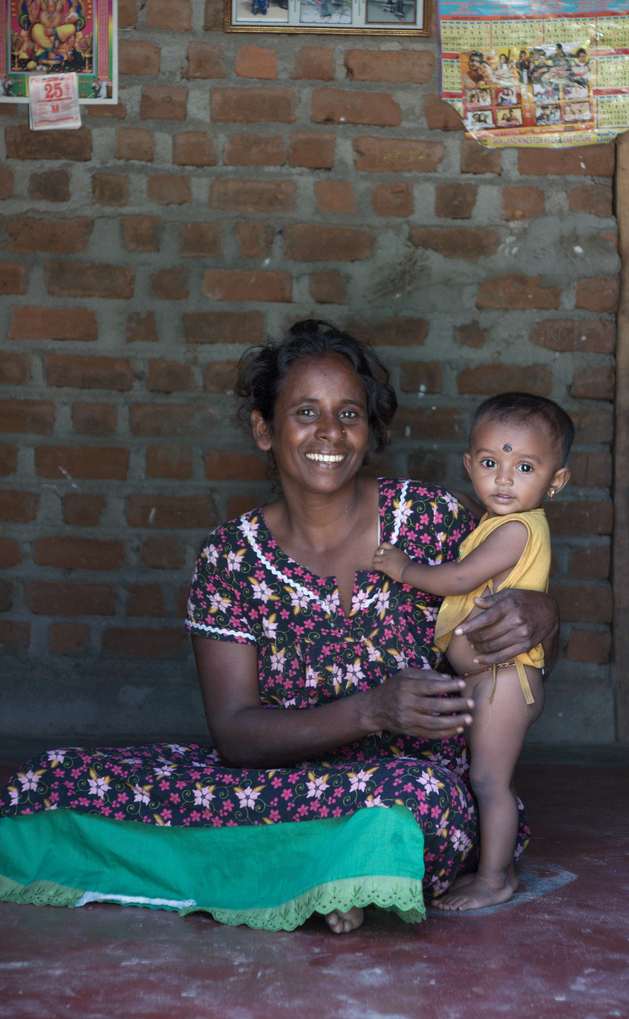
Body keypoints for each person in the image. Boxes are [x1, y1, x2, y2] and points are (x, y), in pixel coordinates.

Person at [0, 323, 559, 934]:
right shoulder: (230, 557)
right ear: (264, 429)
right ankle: (326, 870)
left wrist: (543, 616)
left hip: (411, 783)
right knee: (57, 776)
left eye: (349, 413)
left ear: (369, 430)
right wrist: (371, 709)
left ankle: (297, 864)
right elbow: (235, 736)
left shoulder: (433, 518)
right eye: (305, 412)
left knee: (414, 797)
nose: (330, 431)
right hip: (279, 786)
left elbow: (525, 659)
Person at [373, 393, 572, 910]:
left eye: (524, 467)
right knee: (485, 778)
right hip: (491, 678)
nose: (504, 479)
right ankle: (496, 869)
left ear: (556, 481)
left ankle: (494, 879)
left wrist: (402, 568)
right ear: (469, 464)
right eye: (489, 463)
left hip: (504, 678)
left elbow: (459, 579)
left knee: (489, 781)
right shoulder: (498, 523)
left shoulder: (515, 528)